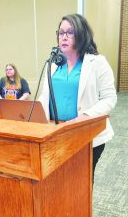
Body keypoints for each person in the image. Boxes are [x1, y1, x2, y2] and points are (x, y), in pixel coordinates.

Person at [39, 13, 117, 178]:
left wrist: (85, 116)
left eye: (70, 32)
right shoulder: (53, 65)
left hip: (85, 135)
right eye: (61, 33)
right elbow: (44, 97)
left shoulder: (97, 63)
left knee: (81, 183)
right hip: (55, 135)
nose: (64, 37)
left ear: (81, 34)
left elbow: (110, 99)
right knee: (58, 181)